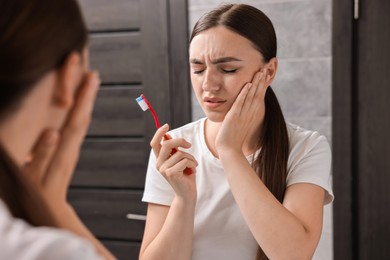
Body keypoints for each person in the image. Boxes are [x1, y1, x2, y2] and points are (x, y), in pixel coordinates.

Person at [140, 3, 333, 260]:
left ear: (269, 71)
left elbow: (293, 255)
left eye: (228, 69)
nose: (208, 84)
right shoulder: (175, 149)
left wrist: (229, 151)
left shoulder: (306, 147)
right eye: (197, 69)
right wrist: (184, 201)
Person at [0, 0, 115, 259]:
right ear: (69, 77)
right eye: (197, 68)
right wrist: (55, 208)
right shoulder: (49, 252)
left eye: (229, 69)